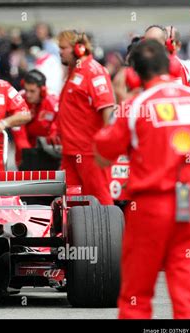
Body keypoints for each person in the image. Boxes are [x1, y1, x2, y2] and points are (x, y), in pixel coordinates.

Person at [94, 39, 190, 319]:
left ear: (133, 74)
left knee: (136, 296)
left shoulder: (135, 107)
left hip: (151, 208)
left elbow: (102, 155)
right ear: (169, 64)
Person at [57, 30, 114, 205]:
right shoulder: (74, 71)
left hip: (89, 152)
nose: (60, 51)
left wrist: (106, 145)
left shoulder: (93, 71)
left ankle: (110, 232)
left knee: (100, 198)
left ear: (78, 49)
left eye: (63, 48)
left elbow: (107, 108)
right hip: (71, 151)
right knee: (70, 201)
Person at [12, 69, 59, 166]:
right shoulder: (18, 100)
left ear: (42, 91)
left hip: (50, 149)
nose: (28, 95)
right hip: (25, 149)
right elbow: (20, 138)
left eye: (32, 91)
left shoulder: (53, 101)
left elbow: (60, 126)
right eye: (26, 90)